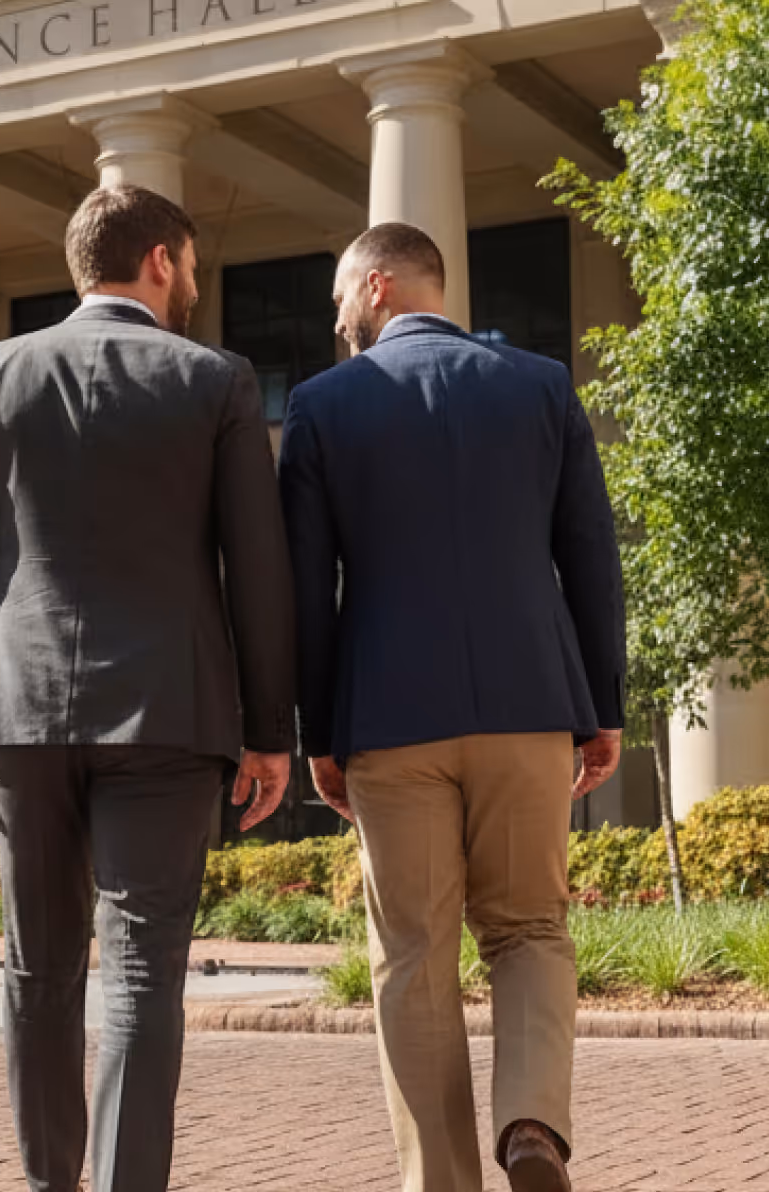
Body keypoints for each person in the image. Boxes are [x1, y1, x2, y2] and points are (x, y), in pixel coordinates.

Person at [0, 184, 297, 1192]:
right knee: (139, 971)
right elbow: (256, 571)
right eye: (192, 270)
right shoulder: (214, 380)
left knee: (37, 968)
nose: (192, 289)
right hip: (168, 712)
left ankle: (51, 1183)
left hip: (19, 712)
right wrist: (268, 730)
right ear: (160, 262)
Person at [279, 223, 625, 1192]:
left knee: (413, 956)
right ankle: (529, 1124)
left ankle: (439, 1181)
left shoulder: (318, 406)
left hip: (388, 719)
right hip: (525, 706)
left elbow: (306, 593)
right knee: (528, 929)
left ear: (379, 285)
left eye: (341, 295)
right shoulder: (540, 386)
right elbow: (589, 561)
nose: (335, 315)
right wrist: (598, 705)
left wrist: (316, 730)